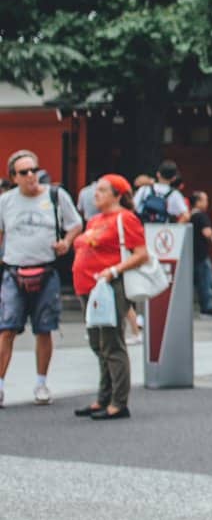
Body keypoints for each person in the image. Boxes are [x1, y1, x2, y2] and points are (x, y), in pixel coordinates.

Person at [0, 149, 82, 406]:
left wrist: (67, 242)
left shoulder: (56, 196)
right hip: (14, 270)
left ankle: (41, 383)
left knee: (44, 329)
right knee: (6, 329)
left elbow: (76, 224)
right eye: (24, 172)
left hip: (46, 269)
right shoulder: (6, 201)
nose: (31, 176)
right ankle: (1, 384)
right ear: (13, 177)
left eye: (34, 170)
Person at [70, 174, 150, 422]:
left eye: (103, 190)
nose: (96, 194)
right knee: (97, 343)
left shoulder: (125, 219)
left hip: (109, 286)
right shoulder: (94, 219)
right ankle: (103, 397)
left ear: (117, 195)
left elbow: (141, 254)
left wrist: (114, 270)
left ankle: (119, 401)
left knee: (112, 343)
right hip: (89, 287)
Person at [188, 189, 212, 316]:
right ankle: (207, 308)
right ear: (198, 202)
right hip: (202, 254)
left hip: (191, 254)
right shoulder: (201, 216)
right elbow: (208, 233)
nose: (207, 203)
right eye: (205, 200)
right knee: (206, 281)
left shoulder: (188, 216)